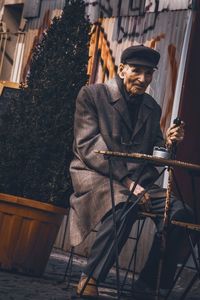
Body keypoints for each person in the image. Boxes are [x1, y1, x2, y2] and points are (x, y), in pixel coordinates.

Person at [68, 45, 193, 299]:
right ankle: (89, 278)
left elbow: (154, 156)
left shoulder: (151, 107)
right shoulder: (92, 95)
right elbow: (89, 146)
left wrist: (169, 144)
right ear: (122, 69)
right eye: (137, 71)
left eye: (149, 73)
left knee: (183, 214)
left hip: (137, 183)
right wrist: (127, 181)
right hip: (96, 176)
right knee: (125, 204)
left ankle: (148, 284)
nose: (144, 79)